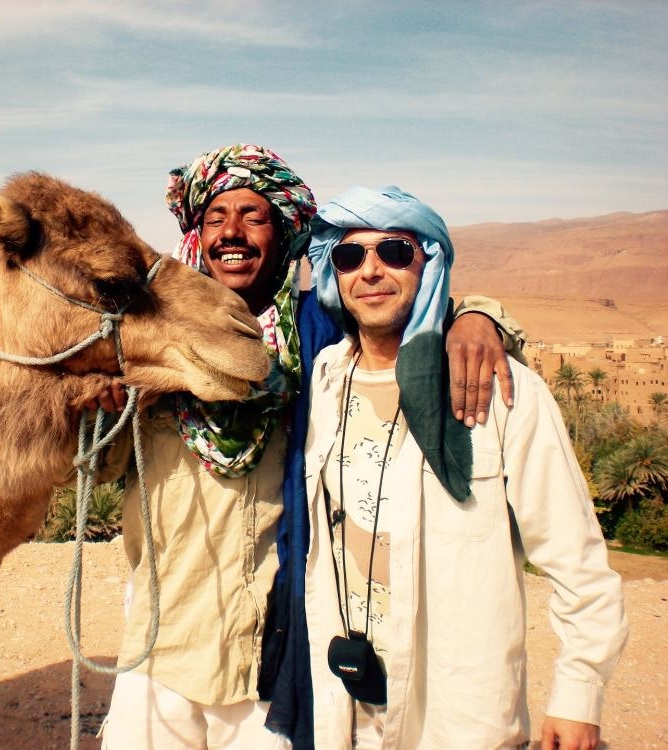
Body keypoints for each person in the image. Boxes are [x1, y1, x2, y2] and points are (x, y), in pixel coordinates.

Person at [97, 145, 524, 749]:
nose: (232, 233)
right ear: (197, 234)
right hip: (160, 640)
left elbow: (412, 310)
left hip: (269, 652)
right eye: (216, 217)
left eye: (253, 216)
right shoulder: (149, 340)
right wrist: (100, 409)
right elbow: (99, 463)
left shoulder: (316, 331)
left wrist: (479, 317)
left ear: (283, 234)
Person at [266, 186, 627, 748]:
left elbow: (574, 554)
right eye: (349, 256)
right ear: (334, 275)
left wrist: (579, 692)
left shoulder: (500, 390)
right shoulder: (325, 379)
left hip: (456, 712)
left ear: (428, 263)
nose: (371, 271)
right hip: (345, 705)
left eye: (395, 251)